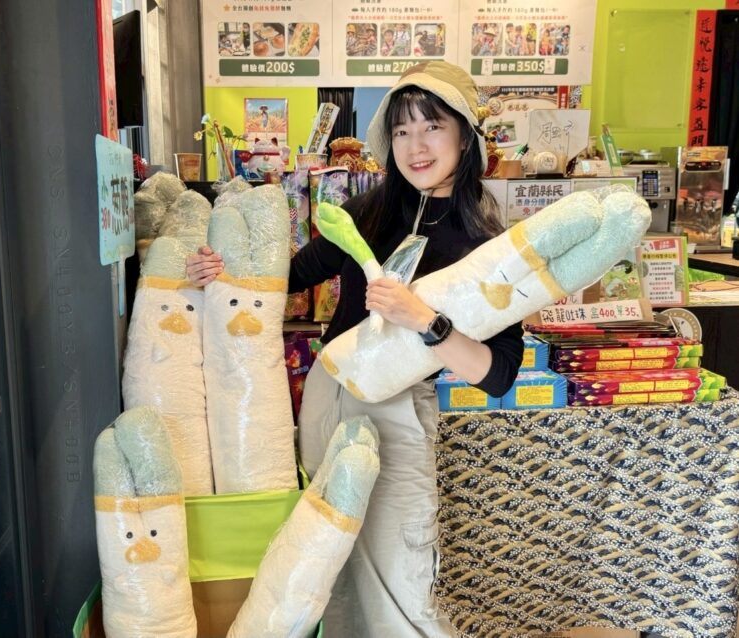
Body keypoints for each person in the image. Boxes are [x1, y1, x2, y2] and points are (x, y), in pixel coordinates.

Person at [186, 61, 523, 637]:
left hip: (396, 414)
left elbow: (498, 375)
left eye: (432, 126)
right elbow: (290, 277)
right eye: (401, 130)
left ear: (466, 136)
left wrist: (427, 322)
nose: (415, 146)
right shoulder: (368, 212)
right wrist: (219, 272)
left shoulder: (486, 244)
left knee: (400, 574)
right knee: (324, 558)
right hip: (329, 396)